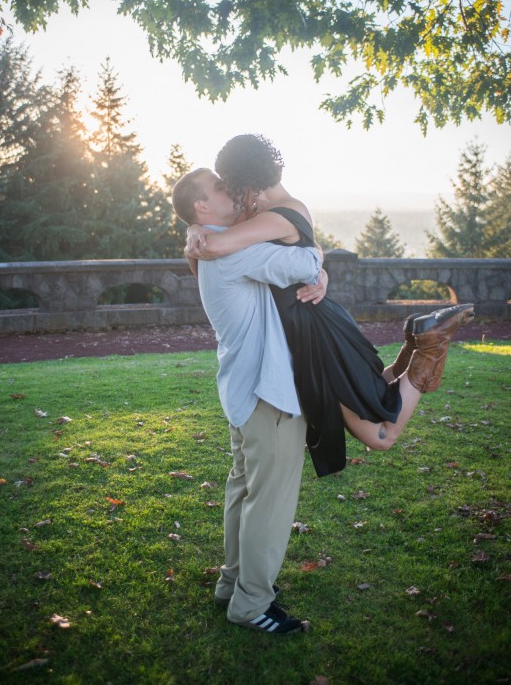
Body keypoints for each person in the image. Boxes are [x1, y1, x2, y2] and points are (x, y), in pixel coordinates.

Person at [185, 134, 475, 476]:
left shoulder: (275, 216)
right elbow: (307, 251)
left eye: (231, 183)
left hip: (313, 331)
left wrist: (194, 232)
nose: (232, 192)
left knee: (380, 435)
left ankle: (429, 345)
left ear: (245, 177)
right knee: (369, 391)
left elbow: (214, 247)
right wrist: (194, 226)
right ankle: (417, 342)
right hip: (310, 326)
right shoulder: (281, 209)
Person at [172, 167, 323, 636]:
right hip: (268, 393)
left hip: (243, 393)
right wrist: (318, 257)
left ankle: (232, 584)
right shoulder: (230, 251)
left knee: (243, 491)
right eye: (221, 188)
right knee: (269, 503)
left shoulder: (217, 246)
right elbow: (301, 262)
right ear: (201, 207)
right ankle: (251, 603)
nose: (232, 191)